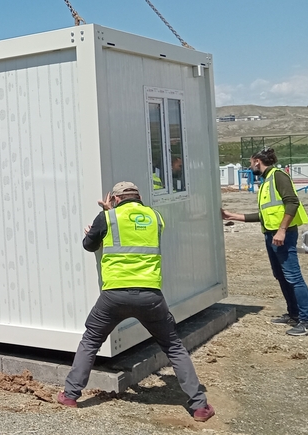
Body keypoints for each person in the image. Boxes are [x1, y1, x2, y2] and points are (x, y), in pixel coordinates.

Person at [58, 181, 215, 422]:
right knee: (173, 347)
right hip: (150, 296)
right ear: (139, 197)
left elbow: (89, 245)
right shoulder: (155, 217)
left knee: (90, 341)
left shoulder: (108, 218)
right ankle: (199, 406)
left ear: (116, 199)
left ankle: (70, 396)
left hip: (114, 296)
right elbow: (135, 230)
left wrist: (104, 218)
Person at [222, 147, 308, 336]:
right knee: (281, 276)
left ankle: (307, 322)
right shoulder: (266, 181)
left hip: (283, 234)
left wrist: (281, 231)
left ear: (257, 161)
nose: (250, 166)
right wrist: (232, 215)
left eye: (250, 162)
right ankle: (294, 314)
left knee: (293, 277)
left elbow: (292, 202)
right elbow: (264, 214)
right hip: (272, 234)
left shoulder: (278, 176)